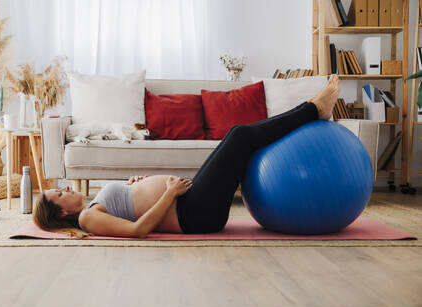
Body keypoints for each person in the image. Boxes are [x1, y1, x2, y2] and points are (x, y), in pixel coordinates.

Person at [33, 75, 340, 238]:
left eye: (60, 187)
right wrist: (165, 194)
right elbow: (139, 231)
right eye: (59, 193)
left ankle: (311, 110)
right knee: (239, 137)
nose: (66, 188)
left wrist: (134, 188)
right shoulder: (87, 218)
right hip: (195, 214)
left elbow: (132, 210)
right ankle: (313, 109)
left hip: (191, 202)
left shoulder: (91, 207)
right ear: (61, 213)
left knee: (238, 136)